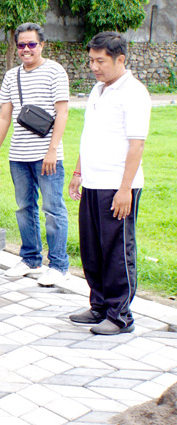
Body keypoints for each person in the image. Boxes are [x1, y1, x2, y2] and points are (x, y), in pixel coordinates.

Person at [68, 32, 150, 335]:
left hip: (117, 185)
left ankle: (119, 315)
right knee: (92, 250)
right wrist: (78, 173)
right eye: (91, 60)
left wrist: (125, 188)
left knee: (117, 250)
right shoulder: (97, 90)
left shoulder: (135, 93)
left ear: (120, 60)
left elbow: (136, 145)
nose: (94, 66)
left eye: (100, 61)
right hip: (92, 182)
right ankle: (99, 306)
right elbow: (88, 135)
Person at [0, 22, 71, 287]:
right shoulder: (12, 76)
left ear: (42, 45)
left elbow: (62, 112)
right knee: (25, 208)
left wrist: (52, 150)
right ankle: (30, 259)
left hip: (47, 155)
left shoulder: (55, 71)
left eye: (32, 44)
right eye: (22, 45)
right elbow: (4, 116)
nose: (26, 49)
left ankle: (59, 265)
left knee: (53, 209)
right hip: (19, 154)